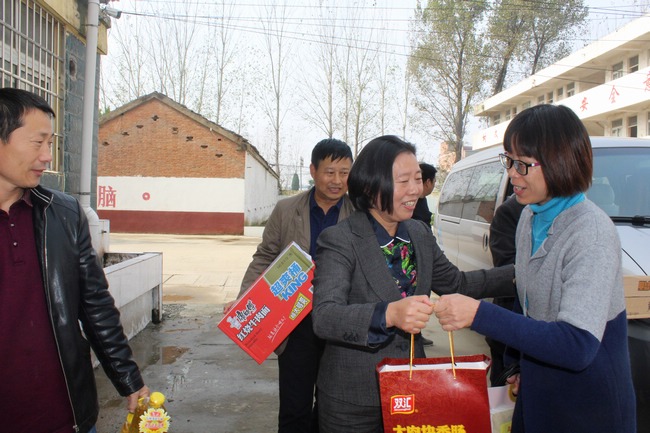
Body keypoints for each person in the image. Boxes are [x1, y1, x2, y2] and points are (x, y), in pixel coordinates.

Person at [434, 104, 636, 433]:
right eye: (509, 160)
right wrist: (517, 361)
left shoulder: (591, 235)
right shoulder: (529, 216)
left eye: (522, 165)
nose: (511, 173)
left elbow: (577, 344)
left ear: (559, 163)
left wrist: (478, 315)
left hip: (586, 408)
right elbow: (527, 299)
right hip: (541, 390)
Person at [311, 135, 515, 433]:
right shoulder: (340, 240)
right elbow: (326, 316)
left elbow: (456, 282)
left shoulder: (418, 233)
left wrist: (518, 275)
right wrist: (389, 314)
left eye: (418, 179)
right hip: (353, 401)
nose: (415, 190)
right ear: (370, 186)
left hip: (411, 388)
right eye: (403, 180)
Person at [0, 88, 149, 433]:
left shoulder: (64, 215)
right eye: (37, 143)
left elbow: (95, 306)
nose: (47, 156)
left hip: (64, 415)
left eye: (51, 144)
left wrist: (130, 380)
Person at [224, 138, 354, 433]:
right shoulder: (286, 210)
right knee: (294, 409)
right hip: (295, 323)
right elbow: (265, 258)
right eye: (330, 172)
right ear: (313, 170)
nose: (337, 181)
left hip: (340, 326)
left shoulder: (359, 213)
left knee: (332, 407)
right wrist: (245, 300)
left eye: (344, 173)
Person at [485, 193, 525, 386]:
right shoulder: (512, 212)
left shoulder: (584, 219)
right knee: (502, 406)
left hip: (546, 339)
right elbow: (506, 265)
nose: (515, 174)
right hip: (511, 333)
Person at [411, 162, 437, 227]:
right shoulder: (411, 203)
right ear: (428, 182)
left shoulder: (422, 199)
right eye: (434, 182)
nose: (434, 186)